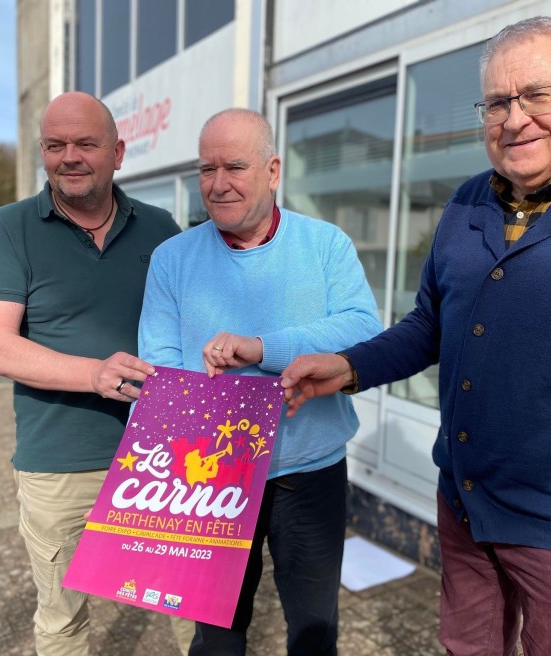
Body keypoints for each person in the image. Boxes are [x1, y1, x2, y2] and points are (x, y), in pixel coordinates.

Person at [280, 16, 551, 656]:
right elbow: (430, 324)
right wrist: (348, 367)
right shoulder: (468, 204)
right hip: (465, 511)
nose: (515, 119)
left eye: (537, 94)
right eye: (496, 102)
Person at [138, 108, 381, 655]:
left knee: (314, 632)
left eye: (234, 167)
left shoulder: (326, 244)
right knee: (216, 635)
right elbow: (159, 367)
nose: (217, 183)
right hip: (208, 479)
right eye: (207, 169)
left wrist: (262, 348)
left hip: (310, 472)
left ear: (273, 171)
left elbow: (363, 329)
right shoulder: (172, 259)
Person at [0, 91, 180, 655]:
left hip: (162, 456)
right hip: (60, 462)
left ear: (118, 152)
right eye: (55, 145)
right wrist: (94, 374)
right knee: (63, 619)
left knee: (187, 604)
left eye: (86, 143)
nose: (69, 157)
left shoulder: (162, 227)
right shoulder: (8, 227)